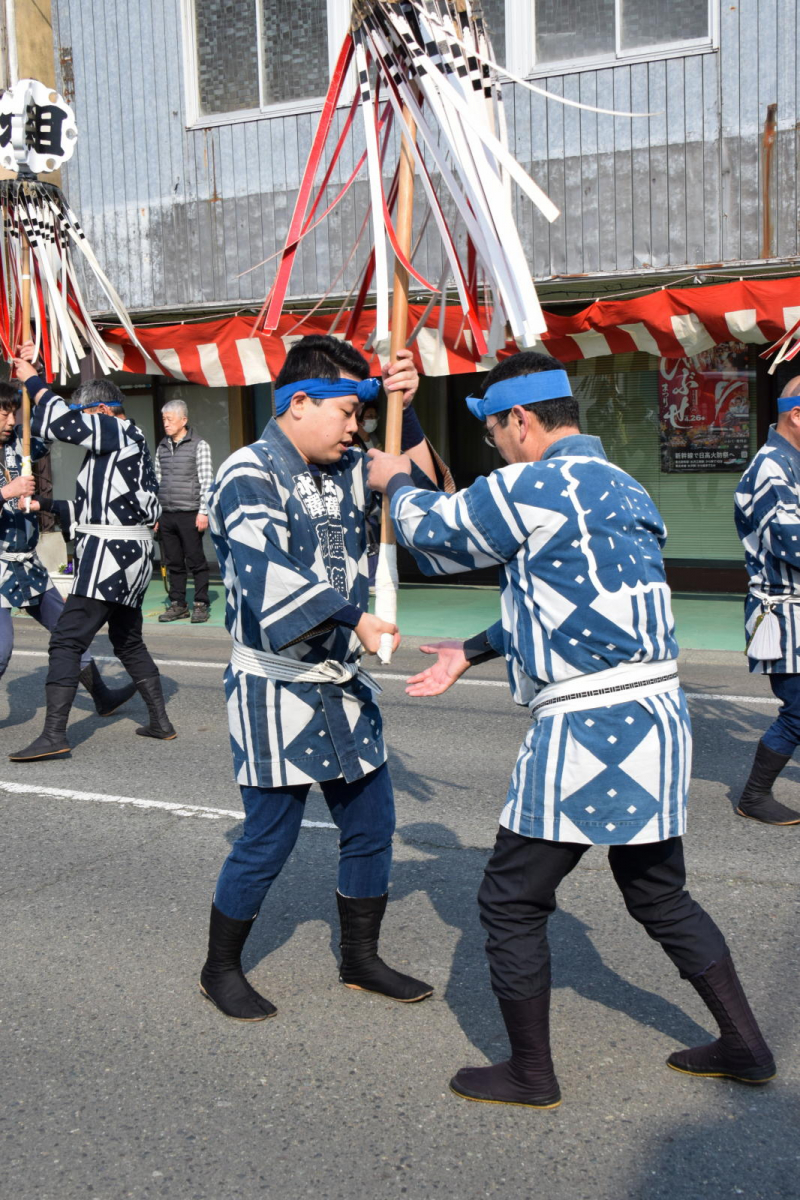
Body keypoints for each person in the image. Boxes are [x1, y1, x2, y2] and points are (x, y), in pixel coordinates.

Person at [366, 350, 775, 1109]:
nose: (492, 445)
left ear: (520, 420)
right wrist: (476, 647)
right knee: (658, 893)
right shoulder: (620, 484)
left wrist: (392, 478)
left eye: (492, 431)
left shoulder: (534, 484)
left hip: (593, 726)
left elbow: (435, 530)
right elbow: (572, 596)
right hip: (658, 712)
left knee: (511, 899)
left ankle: (530, 1072)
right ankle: (746, 1044)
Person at [199, 335, 441, 1022]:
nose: (355, 427)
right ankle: (219, 967)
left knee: (373, 821)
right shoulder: (248, 473)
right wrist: (355, 617)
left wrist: (407, 407)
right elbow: (261, 571)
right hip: (275, 684)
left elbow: (423, 488)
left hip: (340, 684)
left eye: (361, 416)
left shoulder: (350, 463)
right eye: (346, 411)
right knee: (269, 836)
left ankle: (360, 957)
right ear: (298, 402)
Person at [8, 348, 176, 761]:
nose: (84, 425)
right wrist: (43, 506)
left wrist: (34, 377)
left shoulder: (117, 432)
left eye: (89, 417)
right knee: (127, 639)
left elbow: (61, 422)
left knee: (66, 641)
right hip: (131, 552)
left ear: (102, 410)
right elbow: (89, 510)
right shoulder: (126, 444)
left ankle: (54, 735)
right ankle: (160, 721)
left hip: (110, 555)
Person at [0, 381, 135, 715]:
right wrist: (8, 491)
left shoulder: (21, 439)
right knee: (2, 650)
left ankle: (101, 695)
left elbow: (55, 427)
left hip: (27, 563)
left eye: (13, 412)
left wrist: (35, 375)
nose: (10, 420)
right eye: (4, 413)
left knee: (69, 632)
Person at [733, 375, 800, 824]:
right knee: (799, 710)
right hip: (785, 611)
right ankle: (754, 797)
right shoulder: (773, 467)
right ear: (797, 414)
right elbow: (790, 543)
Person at [155, 399, 213, 624]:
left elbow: (207, 481)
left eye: (170, 419)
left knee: (196, 559)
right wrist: (156, 514)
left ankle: (201, 603)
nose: (166, 424)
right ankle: (178, 604)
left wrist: (204, 511)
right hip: (167, 513)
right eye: (164, 420)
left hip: (190, 512)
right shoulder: (162, 446)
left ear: (184, 420)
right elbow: (157, 480)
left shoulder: (199, 445)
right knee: (173, 562)